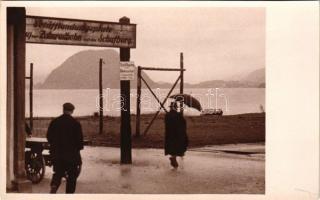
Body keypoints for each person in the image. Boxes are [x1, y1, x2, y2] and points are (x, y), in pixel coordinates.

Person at [47, 102, 84, 193]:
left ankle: (54, 185)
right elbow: (79, 142)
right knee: (72, 177)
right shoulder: (76, 123)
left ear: (63, 110)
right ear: (72, 111)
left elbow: (49, 137)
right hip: (71, 156)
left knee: (58, 173)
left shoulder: (55, 122)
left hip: (57, 155)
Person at [164, 101, 188, 168]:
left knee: (172, 147)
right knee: (178, 146)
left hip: (169, 134)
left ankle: (173, 157)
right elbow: (183, 124)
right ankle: (173, 158)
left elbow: (167, 124)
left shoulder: (167, 115)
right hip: (177, 134)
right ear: (175, 108)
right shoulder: (178, 115)